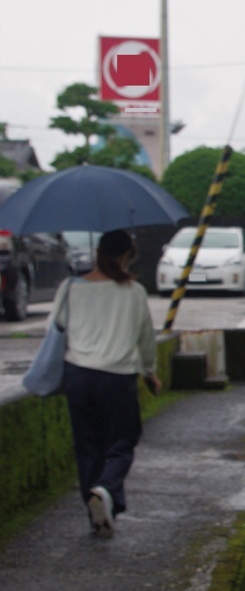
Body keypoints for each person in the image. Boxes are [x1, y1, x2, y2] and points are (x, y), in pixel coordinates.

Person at [51, 229, 161, 538]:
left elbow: (57, 326)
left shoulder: (71, 287)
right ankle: (106, 488)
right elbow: (146, 340)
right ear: (126, 256)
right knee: (122, 442)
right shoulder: (133, 292)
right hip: (117, 377)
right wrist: (150, 373)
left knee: (88, 447)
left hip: (79, 375)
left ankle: (96, 514)